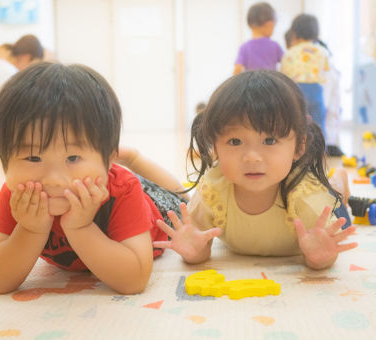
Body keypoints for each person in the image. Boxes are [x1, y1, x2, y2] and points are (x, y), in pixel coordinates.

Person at [0, 62, 186, 295]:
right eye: (33, 158)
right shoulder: (18, 196)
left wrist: (80, 228)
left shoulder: (124, 190)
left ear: (107, 160)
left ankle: (134, 159)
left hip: (156, 211)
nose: (55, 180)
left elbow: (134, 281)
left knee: (181, 201)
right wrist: (29, 230)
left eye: (73, 157)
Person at [151, 70, 357, 270]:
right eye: (235, 141)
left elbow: (324, 254)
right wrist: (193, 252)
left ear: (300, 146)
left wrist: (318, 259)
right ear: (215, 147)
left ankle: (338, 184)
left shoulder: (307, 197)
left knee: (337, 205)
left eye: (269, 140)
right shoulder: (213, 190)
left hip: (325, 206)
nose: (251, 157)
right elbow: (200, 247)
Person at [0, 34, 44, 157]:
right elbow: (17, 108)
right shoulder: (6, 71)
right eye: (34, 64)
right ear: (26, 57)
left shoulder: (2, 67)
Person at [280, 14, 330, 138]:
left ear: (294, 32)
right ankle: (320, 152)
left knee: (296, 123)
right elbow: (326, 72)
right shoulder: (322, 51)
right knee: (318, 123)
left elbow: (283, 75)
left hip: (295, 91)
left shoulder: (289, 53)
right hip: (315, 89)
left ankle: (297, 151)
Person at [233, 2, 283, 75]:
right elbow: (286, 63)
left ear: (249, 24)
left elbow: (237, 69)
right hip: (271, 84)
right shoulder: (275, 46)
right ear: (269, 24)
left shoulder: (245, 47)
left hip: (251, 85)